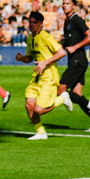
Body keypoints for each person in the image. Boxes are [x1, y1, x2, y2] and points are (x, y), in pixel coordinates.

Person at [41, 0, 90, 131]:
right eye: (63, 3)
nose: (64, 5)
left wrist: (75, 47)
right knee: (75, 96)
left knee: (60, 90)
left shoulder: (77, 20)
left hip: (78, 62)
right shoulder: (67, 22)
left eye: (67, 3)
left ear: (73, 5)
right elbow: (68, 43)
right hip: (74, 61)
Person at [14, 11, 73, 140]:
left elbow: (62, 52)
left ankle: (62, 98)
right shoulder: (30, 38)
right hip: (37, 76)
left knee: (39, 110)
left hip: (49, 77)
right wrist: (21, 58)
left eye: (35, 22)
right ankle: (41, 133)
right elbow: (30, 58)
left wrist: (45, 62)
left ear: (41, 24)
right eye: (30, 22)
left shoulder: (46, 37)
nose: (31, 24)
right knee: (29, 105)